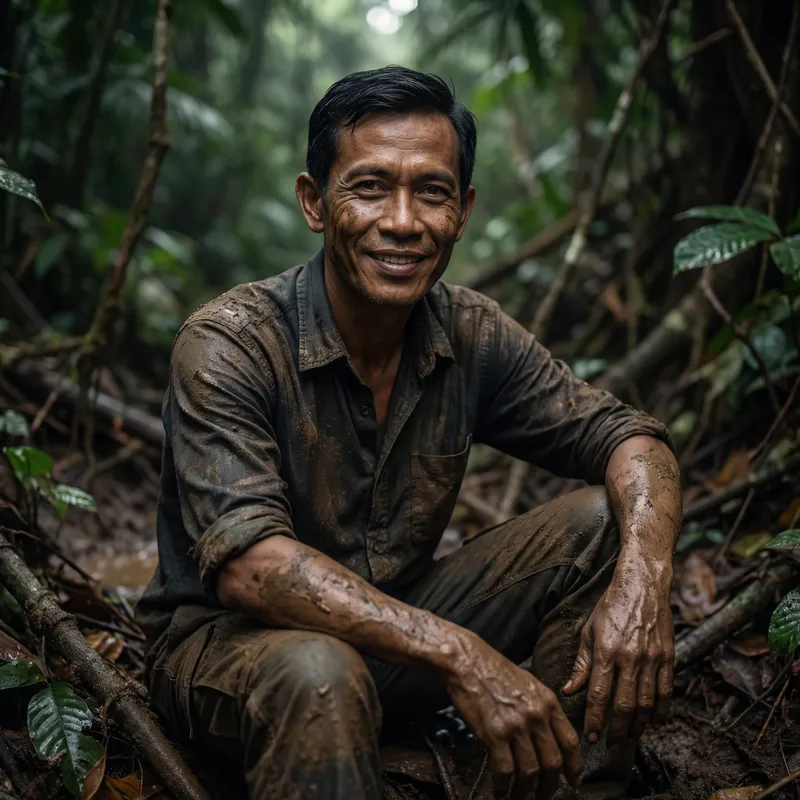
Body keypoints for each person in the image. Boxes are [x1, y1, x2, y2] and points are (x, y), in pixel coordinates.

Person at [135, 65, 681, 800]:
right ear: (314, 201)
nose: (403, 221)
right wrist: (465, 655)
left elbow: (632, 438)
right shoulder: (231, 342)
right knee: (320, 672)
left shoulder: (470, 331)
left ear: (463, 210)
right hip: (233, 651)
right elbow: (251, 567)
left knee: (602, 522)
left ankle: (566, 785)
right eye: (368, 187)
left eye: (432, 192)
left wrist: (645, 583)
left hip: (397, 642)